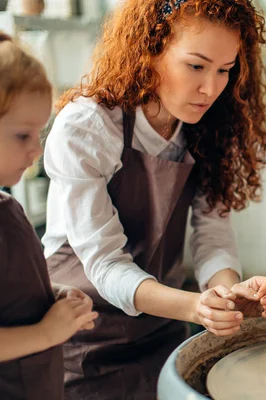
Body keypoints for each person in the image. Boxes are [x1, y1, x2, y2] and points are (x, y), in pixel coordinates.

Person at [42, 1, 266, 398]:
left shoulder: (208, 129)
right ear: (149, 49)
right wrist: (195, 307)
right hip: (80, 335)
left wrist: (228, 294)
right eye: (196, 66)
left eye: (225, 70)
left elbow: (213, 237)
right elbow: (105, 264)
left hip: (161, 331)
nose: (211, 88)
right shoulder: (87, 127)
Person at [0, 31, 98, 400]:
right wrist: (46, 333)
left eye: (39, 134)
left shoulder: (7, 207)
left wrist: (50, 294)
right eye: (23, 136)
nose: (35, 151)